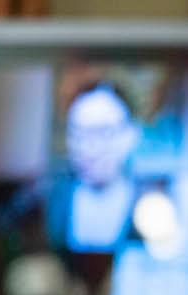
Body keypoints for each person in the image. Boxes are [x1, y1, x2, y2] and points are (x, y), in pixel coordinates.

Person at [45, 80, 168, 252]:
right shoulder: (49, 202)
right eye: (77, 134)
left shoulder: (154, 207)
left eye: (103, 133)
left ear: (131, 135)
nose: (88, 148)